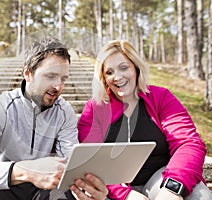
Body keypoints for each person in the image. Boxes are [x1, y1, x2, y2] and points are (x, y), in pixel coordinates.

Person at [0, 37, 108, 200]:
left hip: (46, 189)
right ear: (28, 74)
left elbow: (72, 161)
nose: (58, 87)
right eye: (50, 76)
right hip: (6, 186)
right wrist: (28, 171)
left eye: (63, 79)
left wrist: (85, 188)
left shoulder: (64, 112)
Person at [77, 40, 212, 200]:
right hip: (112, 186)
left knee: (200, 196)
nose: (117, 77)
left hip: (159, 177)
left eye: (123, 67)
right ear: (103, 77)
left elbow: (188, 143)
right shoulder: (94, 108)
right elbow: (91, 158)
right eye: (109, 72)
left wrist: (172, 188)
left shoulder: (161, 97)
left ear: (136, 68)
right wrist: (125, 195)